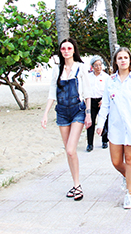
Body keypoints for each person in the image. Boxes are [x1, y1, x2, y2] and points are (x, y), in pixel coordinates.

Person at [96, 47, 131, 209]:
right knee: (116, 161)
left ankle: (129, 194)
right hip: (115, 127)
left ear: (130, 60)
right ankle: (127, 176)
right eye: (120, 58)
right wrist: (100, 123)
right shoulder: (110, 81)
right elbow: (105, 104)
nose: (123, 60)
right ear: (115, 61)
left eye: (126, 57)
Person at [41, 38, 92, 201]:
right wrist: (45, 114)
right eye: (63, 48)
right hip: (62, 111)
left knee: (71, 149)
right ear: (60, 51)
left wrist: (89, 114)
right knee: (68, 152)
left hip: (77, 110)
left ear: (74, 50)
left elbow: (88, 92)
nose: (66, 51)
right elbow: (52, 92)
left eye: (69, 48)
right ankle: (75, 184)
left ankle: (77, 185)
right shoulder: (57, 70)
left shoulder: (81, 67)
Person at [86, 56, 109, 152]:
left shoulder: (106, 77)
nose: (98, 67)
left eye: (100, 65)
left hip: (102, 100)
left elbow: (108, 90)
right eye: (96, 65)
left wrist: (104, 100)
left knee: (104, 121)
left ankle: (104, 141)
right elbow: (86, 90)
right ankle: (90, 144)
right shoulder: (88, 77)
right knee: (90, 123)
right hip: (91, 101)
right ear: (92, 66)